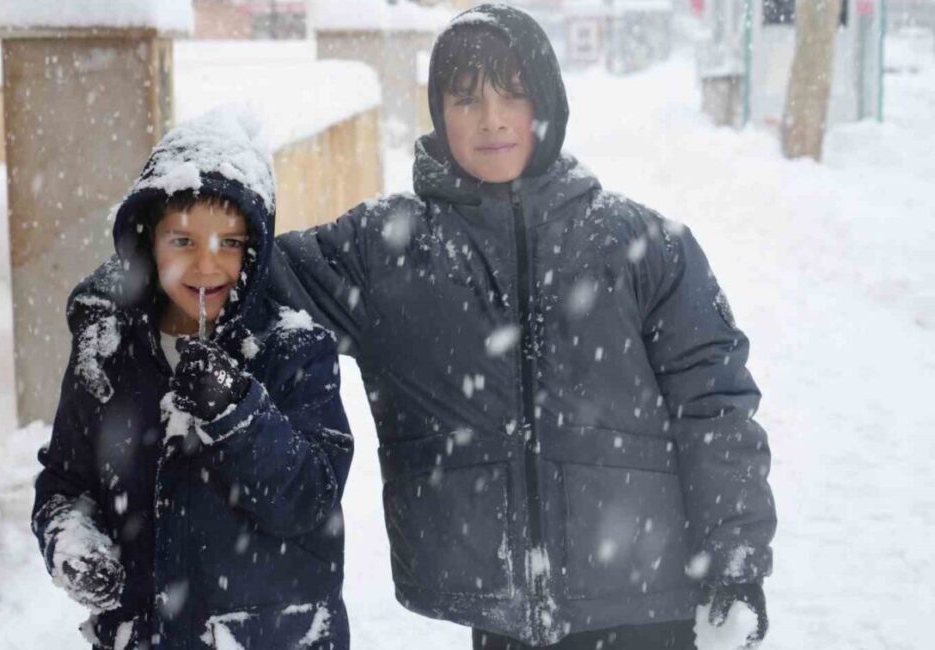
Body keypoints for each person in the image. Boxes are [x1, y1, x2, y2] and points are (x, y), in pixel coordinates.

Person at [268, 5, 776, 649]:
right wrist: (175, 220)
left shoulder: (643, 246)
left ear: (549, 103)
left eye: (514, 93)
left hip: (651, 605)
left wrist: (734, 564)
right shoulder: (385, 251)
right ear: (438, 112)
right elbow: (232, 273)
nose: (492, 119)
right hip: (507, 620)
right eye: (465, 98)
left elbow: (716, 407)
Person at [32, 108, 354, 650]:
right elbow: (65, 484)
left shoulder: (293, 349)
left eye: (229, 243)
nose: (207, 267)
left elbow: (309, 498)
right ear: (147, 242)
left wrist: (238, 412)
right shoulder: (108, 348)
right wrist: (70, 540)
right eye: (182, 241)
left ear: (255, 251)